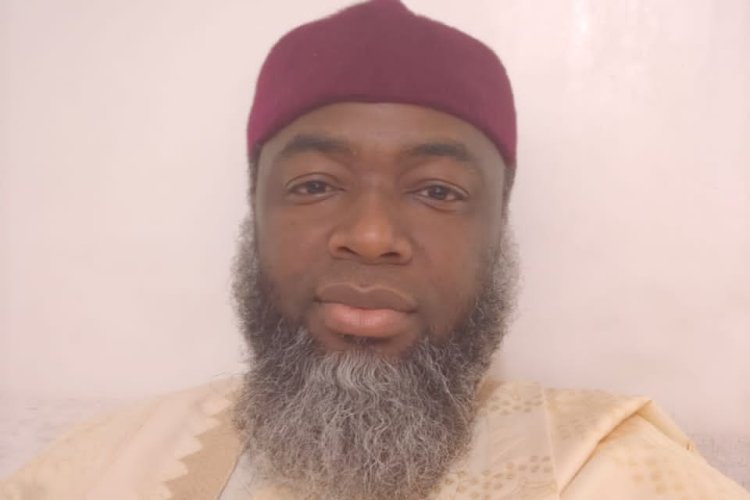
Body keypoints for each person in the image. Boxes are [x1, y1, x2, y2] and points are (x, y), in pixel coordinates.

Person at [2, 1, 748, 499]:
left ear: (498, 231)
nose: (370, 236)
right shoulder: (101, 466)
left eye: (438, 191)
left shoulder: (611, 471)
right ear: (255, 211)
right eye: (315, 184)